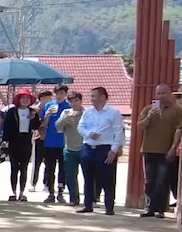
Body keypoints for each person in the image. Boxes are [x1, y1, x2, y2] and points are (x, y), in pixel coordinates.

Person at [76, 86, 125, 215]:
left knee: (107, 178)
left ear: (102, 97)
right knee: (88, 178)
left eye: (94, 96)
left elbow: (118, 132)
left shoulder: (113, 112)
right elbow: (80, 126)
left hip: (105, 148)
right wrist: (88, 133)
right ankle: (88, 204)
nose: (91, 99)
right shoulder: (88, 112)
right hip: (88, 147)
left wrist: (114, 149)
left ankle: (109, 206)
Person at [138, 83, 182, 218]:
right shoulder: (148, 109)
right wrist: (149, 117)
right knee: (149, 180)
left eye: (164, 93)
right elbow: (139, 126)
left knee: (163, 180)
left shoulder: (178, 110)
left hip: (166, 150)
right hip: (149, 149)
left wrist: (173, 148)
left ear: (170, 94)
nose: (161, 96)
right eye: (158, 93)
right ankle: (149, 207)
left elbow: (179, 129)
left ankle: (160, 209)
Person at [2, 90, 41, 202]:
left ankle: (22, 193)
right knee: (14, 168)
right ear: (18, 99)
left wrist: (33, 118)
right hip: (14, 142)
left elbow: (37, 126)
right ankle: (13, 192)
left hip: (26, 141)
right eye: (23, 98)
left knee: (24, 168)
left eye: (27, 98)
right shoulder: (12, 111)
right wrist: (5, 141)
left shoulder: (32, 112)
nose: (25, 100)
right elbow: (7, 127)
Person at [41, 86, 71, 203]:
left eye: (62, 93)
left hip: (64, 143)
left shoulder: (69, 107)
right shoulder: (49, 106)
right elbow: (43, 124)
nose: (59, 96)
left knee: (63, 169)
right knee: (49, 169)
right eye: (57, 93)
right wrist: (47, 115)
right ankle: (51, 192)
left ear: (65, 94)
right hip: (50, 142)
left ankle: (60, 192)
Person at [56, 91, 85, 206]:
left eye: (76, 101)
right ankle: (74, 198)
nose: (74, 103)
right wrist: (66, 118)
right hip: (69, 148)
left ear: (81, 101)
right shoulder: (66, 112)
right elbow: (58, 126)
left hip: (84, 148)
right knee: (70, 175)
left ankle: (91, 199)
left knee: (88, 175)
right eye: (71, 101)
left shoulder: (87, 113)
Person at [31, 90, 53, 189]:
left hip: (49, 138)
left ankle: (46, 183)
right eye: (49, 98)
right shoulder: (35, 110)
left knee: (48, 163)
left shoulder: (51, 108)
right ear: (42, 98)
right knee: (36, 162)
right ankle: (33, 183)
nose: (51, 100)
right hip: (38, 138)